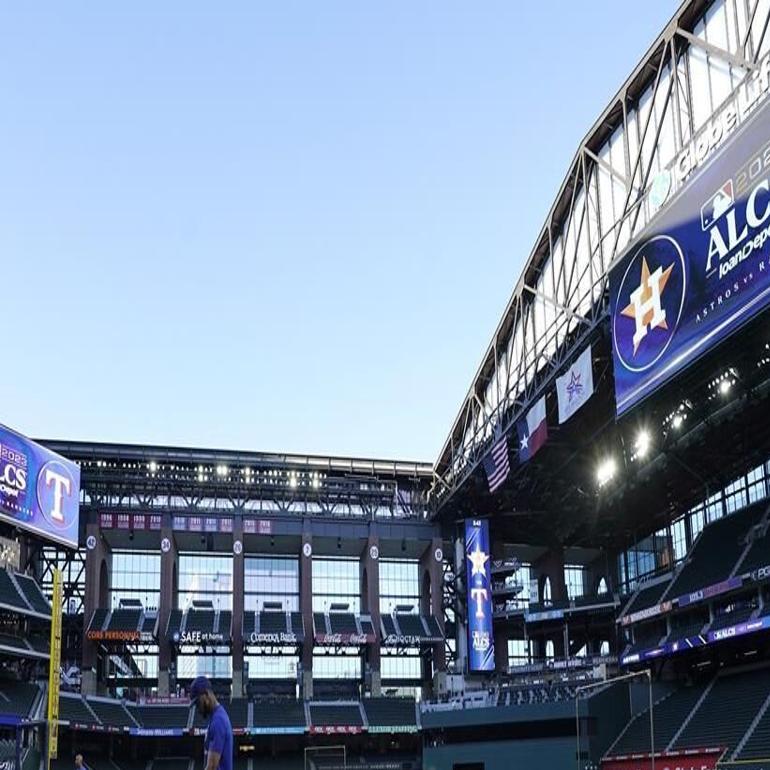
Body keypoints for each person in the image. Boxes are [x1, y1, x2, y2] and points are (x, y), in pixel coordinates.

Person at [190, 675, 232, 770]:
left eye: (197, 703)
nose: (197, 708)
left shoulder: (218, 721)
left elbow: (212, 767)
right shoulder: (216, 716)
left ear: (206, 694)